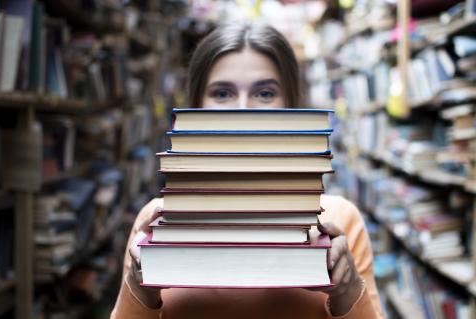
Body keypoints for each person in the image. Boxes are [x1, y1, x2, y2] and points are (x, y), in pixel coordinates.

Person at [110, 22, 384, 319]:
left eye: (265, 94)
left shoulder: (340, 221)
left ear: (291, 105)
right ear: (195, 108)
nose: (243, 109)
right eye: (222, 93)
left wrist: (347, 290)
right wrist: (141, 290)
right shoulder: (154, 224)